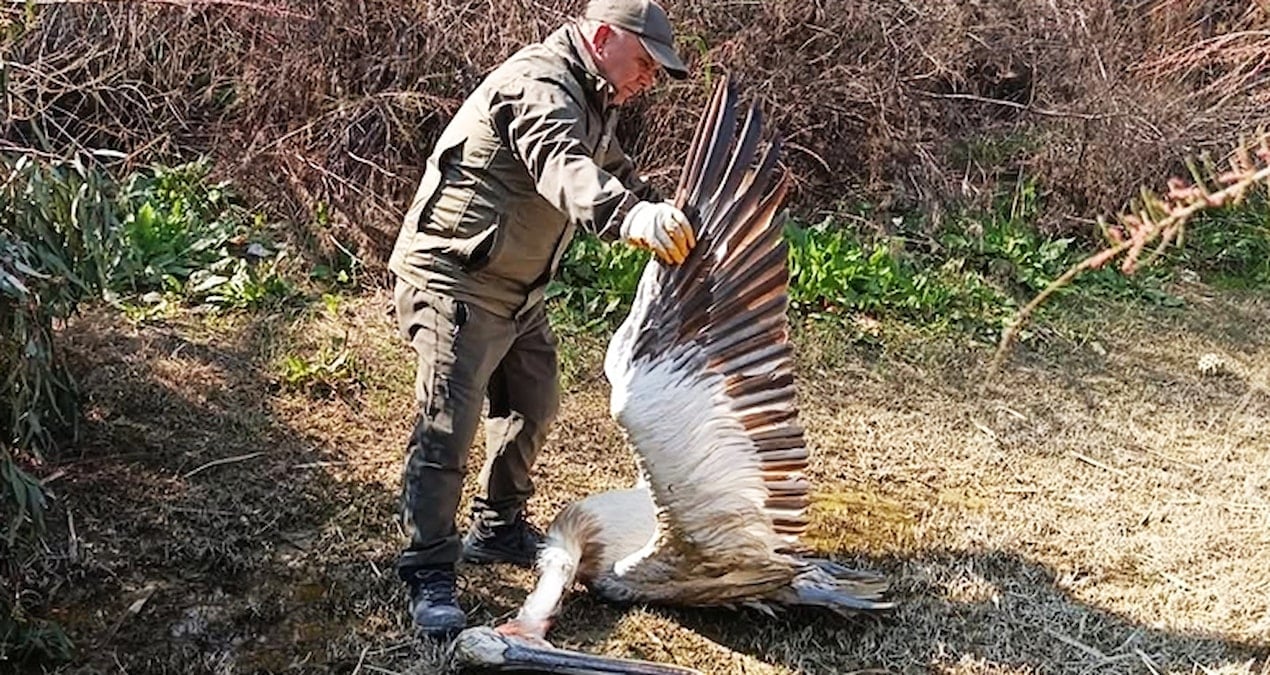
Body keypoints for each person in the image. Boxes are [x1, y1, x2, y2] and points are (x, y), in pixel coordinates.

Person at [387, 0, 696, 637]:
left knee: (533, 401)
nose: (648, 79)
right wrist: (630, 219)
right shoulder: (540, 83)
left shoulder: (595, 94)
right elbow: (565, 167)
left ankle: (498, 527)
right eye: (644, 62)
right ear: (605, 36)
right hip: (456, 280)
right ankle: (427, 570)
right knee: (449, 427)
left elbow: (609, 169)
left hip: (517, 289)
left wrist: (655, 205)